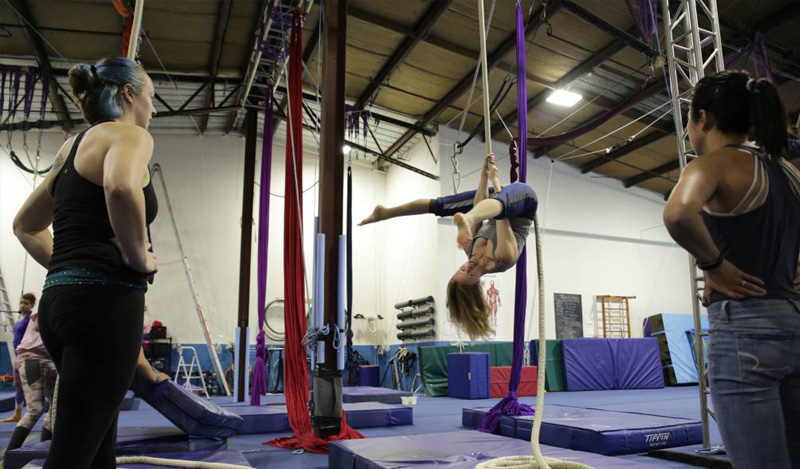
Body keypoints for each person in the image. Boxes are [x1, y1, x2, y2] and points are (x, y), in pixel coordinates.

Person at [12, 56, 158, 469]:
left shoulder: (72, 145)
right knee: (74, 455)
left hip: (58, 305)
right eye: (151, 96)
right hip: (104, 306)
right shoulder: (130, 136)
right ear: (129, 93)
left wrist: (69, 270)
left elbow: (26, 227)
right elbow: (120, 187)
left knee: (96, 449)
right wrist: (138, 257)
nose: (154, 107)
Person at [663, 71, 800, 469]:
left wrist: (714, 266)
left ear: (702, 118)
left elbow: (677, 213)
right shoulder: (788, 172)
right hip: (793, 323)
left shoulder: (712, 164)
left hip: (746, 331)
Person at [360, 154, 537, 340]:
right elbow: (503, 215)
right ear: (478, 282)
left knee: (441, 205)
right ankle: (467, 218)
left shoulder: (471, 250)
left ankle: (385, 213)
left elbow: (479, 204)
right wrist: (495, 180)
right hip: (523, 201)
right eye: (470, 272)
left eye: (462, 268)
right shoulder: (503, 258)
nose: (469, 264)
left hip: (493, 204)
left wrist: (484, 175)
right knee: (497, 207)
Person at [4, 310, 57, 453]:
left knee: (55, 407)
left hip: (50, 361)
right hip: (32, 358)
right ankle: (10, 456)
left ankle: (44, 449)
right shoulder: (45, 308)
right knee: (35, 409)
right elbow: (41, 326)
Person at [1, 293, 35, 423]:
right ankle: (17, 413)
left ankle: (40, 410)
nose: (23, 305)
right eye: (21, 303)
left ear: (32, 305)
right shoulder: (20, 318)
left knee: (32, 386)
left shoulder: (31, 319)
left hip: (27, 356)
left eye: (26, 303)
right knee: (17, 384)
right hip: (17, 355)